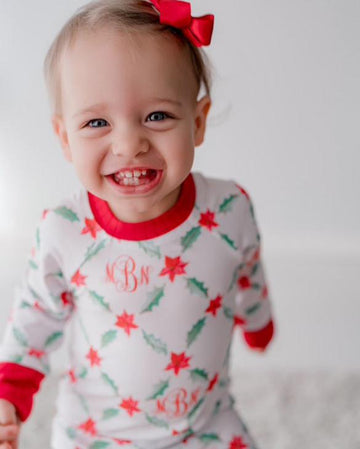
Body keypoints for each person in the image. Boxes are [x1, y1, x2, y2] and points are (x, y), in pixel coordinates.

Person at [0, 1, 275, 448]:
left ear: (198, 121)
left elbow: (249, 269)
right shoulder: (64, 231)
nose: (129, 143)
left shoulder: (228, 208)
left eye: (157, 116)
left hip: (205, 424)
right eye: (97, 122)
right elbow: (34, 317)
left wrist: (258, 320)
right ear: (65, 139)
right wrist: (10, 394)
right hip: (95, 434)